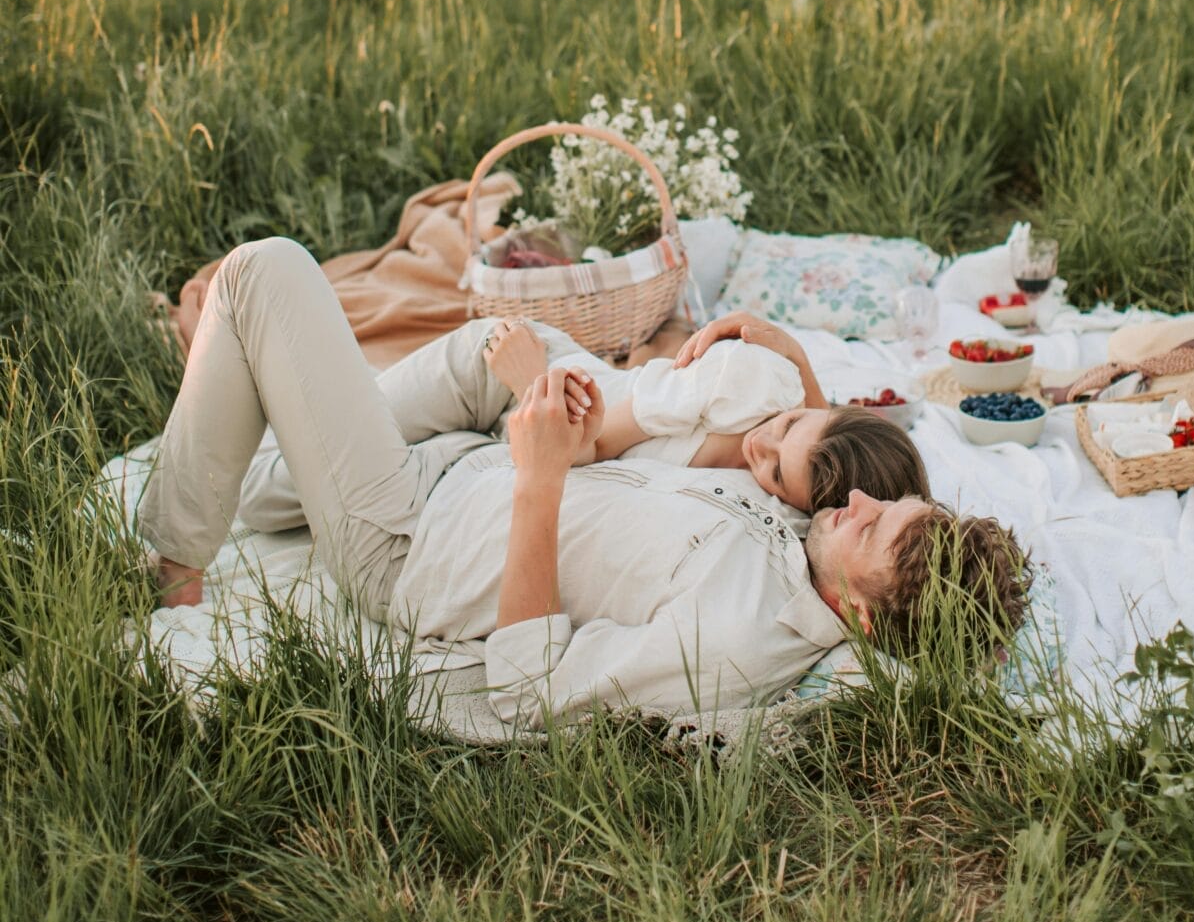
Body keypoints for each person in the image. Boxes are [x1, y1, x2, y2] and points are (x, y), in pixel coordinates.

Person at [140, 238, 1031, 725]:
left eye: (873, 529)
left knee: (264, 273)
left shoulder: (734, 639)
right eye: (887, 503)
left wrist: (540, 479)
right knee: (270, 475)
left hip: (406, 542)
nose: (857, 506)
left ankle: (171, 559)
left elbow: (529, 691)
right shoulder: (812, 547)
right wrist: (784, 352)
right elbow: (837, 452)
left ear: (864, 618)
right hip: (462, 463)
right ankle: (262, 473)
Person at [231, 305, 929, 536]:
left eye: (778, 474)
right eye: (783, 429)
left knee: (334, 475)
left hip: (516, 434)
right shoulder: (735, 396)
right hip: (516, 372)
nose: (760, 450)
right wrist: (797, 370)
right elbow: (590, 444)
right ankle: (255, 346)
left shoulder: (801, 506)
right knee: (267, 495)